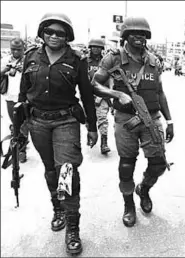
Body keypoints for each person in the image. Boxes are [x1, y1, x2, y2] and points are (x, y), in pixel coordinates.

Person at [19, 12, 98, 255]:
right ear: (42, 32)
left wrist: (92, 127)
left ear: (68, 37)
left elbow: (86, 95)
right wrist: (19, 127)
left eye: (60, 33)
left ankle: (73, 227)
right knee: (51, 169)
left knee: (68, 172)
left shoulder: (76, 60)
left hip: (66, 121)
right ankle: (58, 209)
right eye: (49, 31)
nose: (54, 36)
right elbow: (24, 93)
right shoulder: (31, 56)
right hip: (38, 123)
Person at [92, 17, 174, 228]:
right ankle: (129, 205)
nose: (139, 37)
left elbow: (160, 92)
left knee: (158, 163)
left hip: (152, 117)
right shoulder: (113, 58)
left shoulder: (155, 61)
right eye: (134, 33)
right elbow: (95, 84)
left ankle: (144, 189)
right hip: (125, 118)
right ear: (125, 36)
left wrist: (170, 120)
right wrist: (116, 94)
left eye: (143, 33)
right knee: (127, 164)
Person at [1, 37, 29, 163]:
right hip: (9, 97)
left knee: (23, 124)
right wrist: (5, 70)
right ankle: (17, 148)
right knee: (15, 124)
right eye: (13, 49)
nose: (15, 52)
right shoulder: (5, 60)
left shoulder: (28, 60)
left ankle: (22, 150)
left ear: (24, 49)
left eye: (18, 49)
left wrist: (22, 70)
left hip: (25, 97)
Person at [87, 38, 112, 154]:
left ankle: (104, 143)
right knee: (89, 119)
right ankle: (91, 134)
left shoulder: (106, 62)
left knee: (102, 119)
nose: (96, 49)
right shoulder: (85, 61)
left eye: (98, 47)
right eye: (93, 47)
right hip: (88, 95)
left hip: (103, 95)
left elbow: (110, 80)